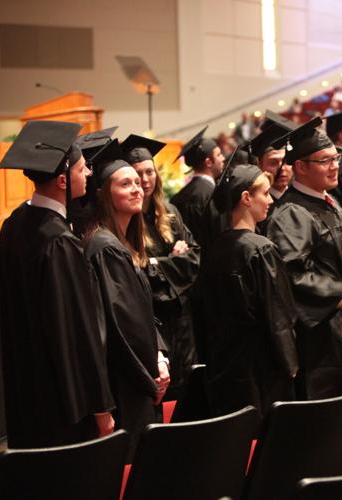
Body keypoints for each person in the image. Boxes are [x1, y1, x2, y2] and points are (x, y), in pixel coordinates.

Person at [0, 120, 115, 448]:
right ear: (63, 180)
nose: (89, 173)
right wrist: (100, 406)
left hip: (25, 381)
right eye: (81, 169)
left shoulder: (14, 225)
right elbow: (77, 331)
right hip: (62, 396)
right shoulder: (59, 241)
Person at [266, 116, 342, 399]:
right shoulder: (291, 214)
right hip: (320, 343)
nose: (335, 166)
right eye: (325, 161)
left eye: (335, 158)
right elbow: (291, 277)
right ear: (300, 167)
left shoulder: (329, 201)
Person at [84, 139, 170, 459]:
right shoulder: (105, 246)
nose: (137, 189)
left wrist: (159, 355)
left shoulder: (121, 243)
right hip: (125, 380)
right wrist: (151, 374)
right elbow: (122, 326)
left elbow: (141, 315)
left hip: (137, 373)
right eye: (125, 184)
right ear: (104, 194)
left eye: (138, 182)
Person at [201, 164, 299, 417]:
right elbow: (278, 315)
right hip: (261, 370)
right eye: (264, 194)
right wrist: (291, 364)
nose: (269, 200)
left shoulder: (215, 248)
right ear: (246, 198)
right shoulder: (260, 249)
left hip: (225, 369)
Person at [123, 134, 201, 400]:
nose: (144, 181)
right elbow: (133, 272)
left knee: (187, 392)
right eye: (136, 175)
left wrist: (156, 264)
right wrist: (172, 261)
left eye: (148, 173)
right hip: (153, 320)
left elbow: (195, 259)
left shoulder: (169, 213)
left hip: (182, 320)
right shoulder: (125, 221)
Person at [170, 126, 225, 246]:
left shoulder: (180, 195)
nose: (223, 158)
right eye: (219, 155)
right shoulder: (212, 194)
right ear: (208, 162)